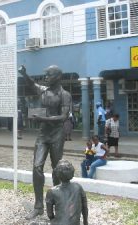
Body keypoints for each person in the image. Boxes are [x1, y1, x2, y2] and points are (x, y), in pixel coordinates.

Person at [18, 65, 72, 220]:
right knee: (37, 167)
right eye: (45, 75)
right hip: (43, 134)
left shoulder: (65, 94)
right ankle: (39, 206)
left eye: (48, 75)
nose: (45, 77)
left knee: (57, 169)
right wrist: (24, 73)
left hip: (57, 134)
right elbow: (30, 84)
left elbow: (63, 117)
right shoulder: (43, 90)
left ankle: (56, 204)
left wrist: (43, 119)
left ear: (57, 76)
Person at [46, 159, 88, 225]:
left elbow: (50, 214)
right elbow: (84, 208)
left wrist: (54, 221)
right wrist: (85, 222)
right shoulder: (78, 187)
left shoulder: (51, 191)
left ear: (57, 173)